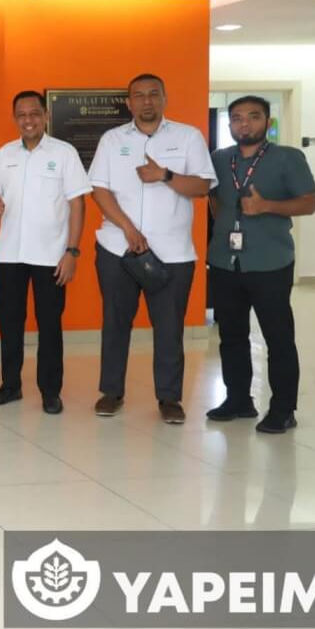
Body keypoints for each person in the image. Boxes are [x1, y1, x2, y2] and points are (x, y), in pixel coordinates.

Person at [89, 73, 217, 424]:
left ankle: (169, 398)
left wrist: (166, 176)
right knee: (115, 323)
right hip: (118, 247)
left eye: (153, 94)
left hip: (173, 252)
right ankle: (111, 392)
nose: (146, 101)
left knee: (170, 327)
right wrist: (128, 228)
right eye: (139, 95)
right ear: (128, 103)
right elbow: (99, 189)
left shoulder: (188, 137)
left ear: (164, 98)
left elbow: (202, 187)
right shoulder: (112, 139)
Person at [207, 95, 315, 434]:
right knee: (231, 335)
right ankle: (238, 399)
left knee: (278, 337)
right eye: (237, 117)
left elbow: (308, 203)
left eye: (253, 116)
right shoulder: (219, 158)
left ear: (267, 123)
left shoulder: (288, 157)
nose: (245, 123)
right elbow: (214, 199)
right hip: (225, 262)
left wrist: (266, 206)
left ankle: (283, 409)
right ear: (230, 124)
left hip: (270, 262)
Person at [0, 91, 90, 414]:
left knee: (50, 325)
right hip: (10, 256)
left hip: (51, 256)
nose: (27, 120)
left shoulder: (64, 153)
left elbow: (77, 203)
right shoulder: (5, 154)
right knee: (9, 324)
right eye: (21, 115)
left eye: (34, 114)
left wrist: (72, 252)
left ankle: (50, 391)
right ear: (15, 118)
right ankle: (10, 385)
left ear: (45, 116)